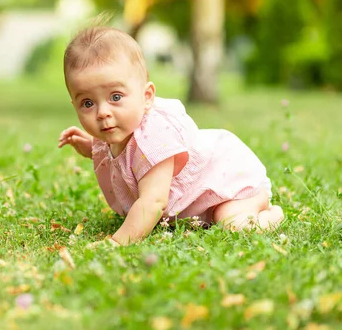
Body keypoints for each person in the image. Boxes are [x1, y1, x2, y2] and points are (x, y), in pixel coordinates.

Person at [58, 26, 284, 246]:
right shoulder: (115, 128)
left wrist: (118, 242)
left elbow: (153, 200)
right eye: (87, 103)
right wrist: (89, 147)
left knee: (231, 223)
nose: (103, 112)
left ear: (146, 96)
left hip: (228, 187)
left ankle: (271, 215)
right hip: (209, 191)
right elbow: (123, 159)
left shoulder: (154, 140)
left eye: (116, 97)